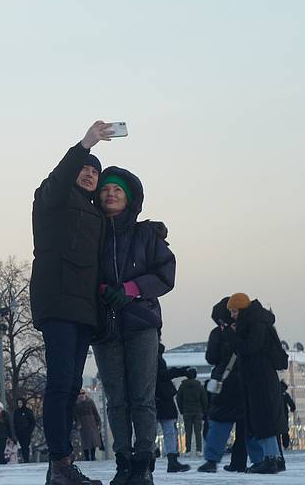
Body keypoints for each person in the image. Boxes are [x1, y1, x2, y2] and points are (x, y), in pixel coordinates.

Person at [30, 122, 111, 485]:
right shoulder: (53, 199)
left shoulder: (95, 212)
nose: (90, 175)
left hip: (84, 308)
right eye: (85, 169)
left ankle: (61, 467)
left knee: (71, 383)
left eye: (95, 171)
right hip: (59, 300)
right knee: (60, 384)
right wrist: (84, 145)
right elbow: (58, 180)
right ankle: (60, 462)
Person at [89, 165, 175, 485]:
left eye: (117, 190)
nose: (110, 193)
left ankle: (143, 464)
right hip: (105, 326)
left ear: (129, 198)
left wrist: (131, 289)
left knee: (142, 397)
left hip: (140, 324)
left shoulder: (146, 235)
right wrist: (100, 290)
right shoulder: (92, 235)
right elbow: (82, 273)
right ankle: (123, 462)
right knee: (117, 400)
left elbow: (166, 274)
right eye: (105, 189)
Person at [230, 294, 286, 474]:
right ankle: (275, 458)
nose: (232, 315)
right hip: (260, 377)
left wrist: (233, 337)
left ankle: (270, 460)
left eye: (234, 311)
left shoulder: (256, 324)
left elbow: (249, 348)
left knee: (264, 418)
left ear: (242, 309)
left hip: (260, 378)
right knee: (263, 418)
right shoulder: (257, 321)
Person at [198, 297, 246, 473]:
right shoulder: (244, 330)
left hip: (223, 383)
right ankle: (243, 461)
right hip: (244, 382)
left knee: (219, 423)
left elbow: (211, 358)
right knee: (245, 425)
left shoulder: (217, 333)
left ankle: (211, 460)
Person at [154, 346, 191, 474]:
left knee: (153, 430)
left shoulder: (149, 353)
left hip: (154, 397)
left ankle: (153, 455)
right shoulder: (155, 356)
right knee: (169, 430)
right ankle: (172, 460)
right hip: (162, 397)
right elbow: (162, 375)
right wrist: (180, 371)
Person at [173, 369, 207, 455]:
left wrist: (181, 410)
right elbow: (204, 399)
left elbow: (178, 398)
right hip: (198, 411)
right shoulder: (199, 386)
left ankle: (188, 450)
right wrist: (204, 410)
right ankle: (199, 450)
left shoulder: (182, 386)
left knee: (188, 432)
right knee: (198, 432)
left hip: (186, 411)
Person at [74, 393, 102, 462]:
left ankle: (93, 456)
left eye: (83, 393)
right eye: (80, 394)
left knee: (93, 440)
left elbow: (95, 412)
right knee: (85, 441)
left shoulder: (90, 401)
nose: (81, 395)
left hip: (92, 422)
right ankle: (87, 457)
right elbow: (76, 415)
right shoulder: (77, 404)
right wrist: (78, 423)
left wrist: (98, 422)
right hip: (83, 423)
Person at [13, 398, 36, 464]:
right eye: (18, 403)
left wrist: (30, 430)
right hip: (19, 432)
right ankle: (25, 459)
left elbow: (32, 422)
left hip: (27, 432)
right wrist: (16, 431)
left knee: (26, 446)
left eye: (20, 403)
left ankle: (26, 460)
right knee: (22, 446)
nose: (19, 404)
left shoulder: (28, 411)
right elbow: (15, 422)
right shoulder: (16, 412)